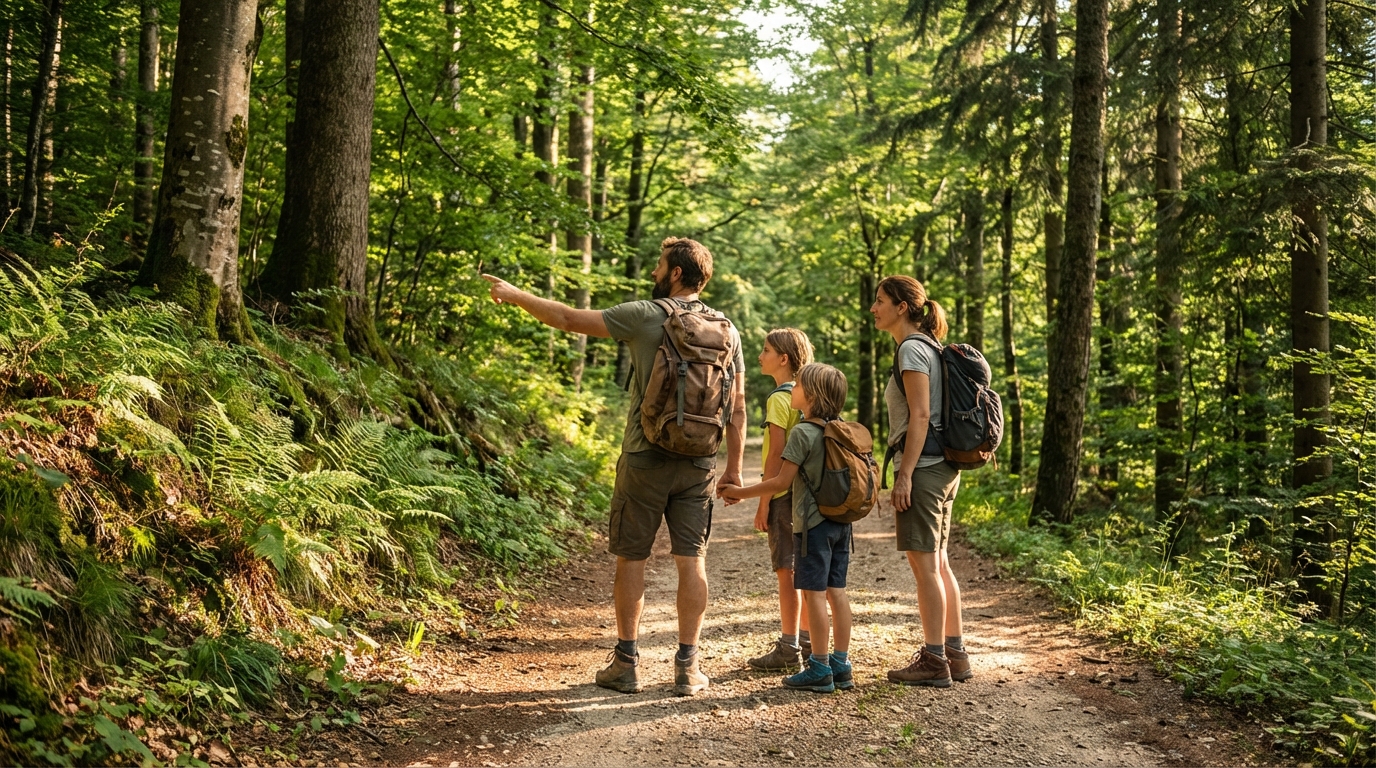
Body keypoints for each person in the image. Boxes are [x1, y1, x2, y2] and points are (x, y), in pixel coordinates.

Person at [482, 237, 747, 697]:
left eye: (660, 266)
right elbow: (738, 408)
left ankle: (626, 662)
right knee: (693, 560)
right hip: (700, 461)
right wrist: (735, 469)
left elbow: (566, 319)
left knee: (632, 557)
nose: (653, 274)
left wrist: (515, 294)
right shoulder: (727, 329)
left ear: (677, 274)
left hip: (645, 455)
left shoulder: (646, 314)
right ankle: (688, 666)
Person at [720, 363, 854, 693]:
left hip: (812, 529)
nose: (792, 389)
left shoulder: (803, 433)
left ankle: (819, 667)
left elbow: (781, 480)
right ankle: (842, 664)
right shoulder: (841, 431)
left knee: (813, 594)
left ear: (810, 396)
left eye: (798, 387)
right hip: (841, 525)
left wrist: (739, 492)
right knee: (837, 592)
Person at [870, 275, 969, 688]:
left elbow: (921, 416)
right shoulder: (930, 346)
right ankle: (955, 654)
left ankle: (933, 660)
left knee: (925, 565)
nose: (873, 308)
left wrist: (904, 474)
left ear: (902, 307)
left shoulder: (912, 350)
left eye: (880, 301)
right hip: (943, 466)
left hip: (925, 466)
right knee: (940, 563)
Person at [747, 329, 815, 672]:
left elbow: (775, 453)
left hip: (783, 496)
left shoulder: (778, 398)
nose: (761, 356)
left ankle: (788, 647)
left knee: (785, 572)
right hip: (807, 496)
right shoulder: (806, 395)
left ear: (784, 358)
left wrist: (763, 501)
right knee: (803, 570)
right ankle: (805, 642)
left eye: (766, 350)